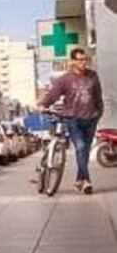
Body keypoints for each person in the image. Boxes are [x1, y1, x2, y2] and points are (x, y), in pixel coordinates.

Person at [36, 47, 104, 194]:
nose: (83, 63)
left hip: (91, 119)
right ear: (73, 61)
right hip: (73, 119)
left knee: (84, 152)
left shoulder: (93, 76)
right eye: (80, 60)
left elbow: (98, 96)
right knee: (79, 147)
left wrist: (99, 113)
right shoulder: (65, 79)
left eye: (85, 59)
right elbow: (53, 94)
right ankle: (86, 180)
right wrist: (43, 104)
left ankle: (80, 181)